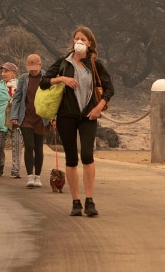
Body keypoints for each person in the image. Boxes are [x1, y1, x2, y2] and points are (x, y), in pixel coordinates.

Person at [41, 26, 114, 217]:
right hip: (66, 115)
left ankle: (89, 200)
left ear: (90, 43)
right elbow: (44, 81)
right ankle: (75, 201)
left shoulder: (95, 64)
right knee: (71, 158)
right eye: (76, 38)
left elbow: (109, 88)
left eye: (83, 39)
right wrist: (62, 79)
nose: (79, 42)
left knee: (87, 156)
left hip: (88, 115)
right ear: (72, 42)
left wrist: (98, 108)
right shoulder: (63, 63)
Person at [11, 54, 48, 188]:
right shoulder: (23, 78)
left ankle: (37, 176)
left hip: (41, 118)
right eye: (30, 68)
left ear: (40, 66)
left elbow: (52, 98)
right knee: (29, 146)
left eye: (35, 68)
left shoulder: (47, 78)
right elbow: (17, 97)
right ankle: (30, 176)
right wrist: (14, 116)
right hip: (26, 117)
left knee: (38, 147)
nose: (33, 70)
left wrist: (53, 117)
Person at [0, 62, 23, 178]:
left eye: (6, 71)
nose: (3, 74)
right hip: (0, 121)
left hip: (16, 121)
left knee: (17, 145)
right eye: (2, 71)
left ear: (14, 73)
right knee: (0, 145)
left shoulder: (20, 86)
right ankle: (1, 163)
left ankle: (15, 170)